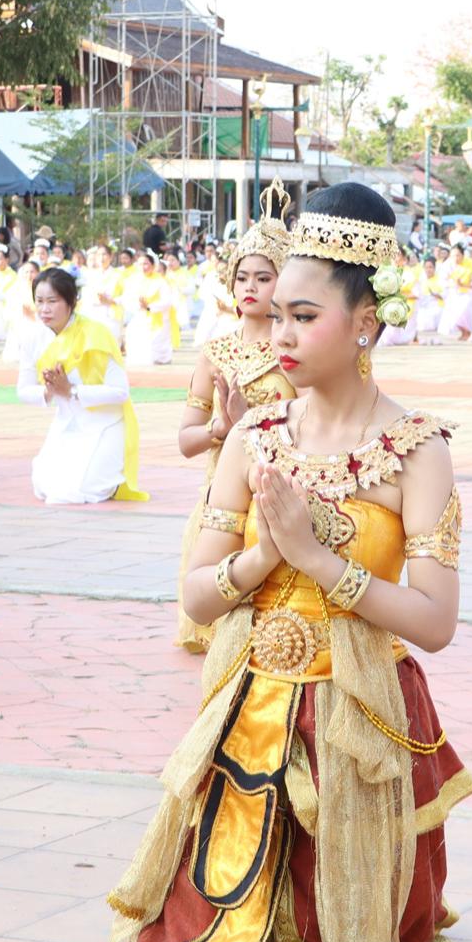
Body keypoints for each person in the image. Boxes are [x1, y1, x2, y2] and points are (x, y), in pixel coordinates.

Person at [111, 180, 465, 942]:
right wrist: (264, 560)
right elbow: (197, 599)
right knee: (218, 921)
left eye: (305, 317)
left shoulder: (416, 451)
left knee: (339, 936)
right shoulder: (253, 436)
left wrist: (317, 560)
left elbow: (436, 622)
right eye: (276, 318)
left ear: (366, 321)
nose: (281, 336)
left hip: (359, 707)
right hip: (252, 702)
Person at [174, 200, 297, 651]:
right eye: (243, 277)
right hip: (219, 500)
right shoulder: (214, 352)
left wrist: (252, 423)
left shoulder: (292, 349)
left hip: (275, 494)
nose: (251, 287)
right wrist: (220, 431)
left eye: (264, 278)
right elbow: (186, 440)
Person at [20, 267, 148, 504]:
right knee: (44, 487)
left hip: (105, 424)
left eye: (52, 301)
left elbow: (120, 391)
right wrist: (49, 392)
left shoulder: (95, 334)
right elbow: (23, 390)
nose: (44, 309)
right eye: (39, 301)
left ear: (71, 302)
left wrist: (71, 391)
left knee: (77, 491)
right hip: (68, 421)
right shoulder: (33, 338)